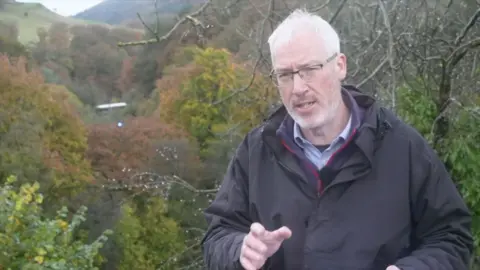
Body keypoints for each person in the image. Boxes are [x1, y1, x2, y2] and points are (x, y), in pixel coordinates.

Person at [200, 8, 473, 270]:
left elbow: (452, 237)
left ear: (340, 65)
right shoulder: (256, 151)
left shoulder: (401, 147)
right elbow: (217, 236)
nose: (298, 88)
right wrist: (240, 250)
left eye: (310, 69)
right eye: (285, 75)